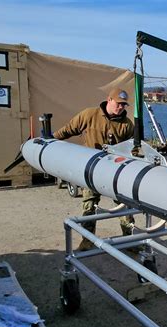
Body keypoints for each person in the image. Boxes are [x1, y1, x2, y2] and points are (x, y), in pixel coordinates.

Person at [54, 88, 135, 251]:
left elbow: (132, 148)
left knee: (124, 205)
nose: (121, 108)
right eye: (118, 104)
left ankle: (130, 241)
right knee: (89, 205)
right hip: (91, 169)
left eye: (124, 105)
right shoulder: (89, 115)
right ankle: (87, 240)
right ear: (109, 100)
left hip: (115, 171)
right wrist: (50, 139)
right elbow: (68, 129)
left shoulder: (127, 125)